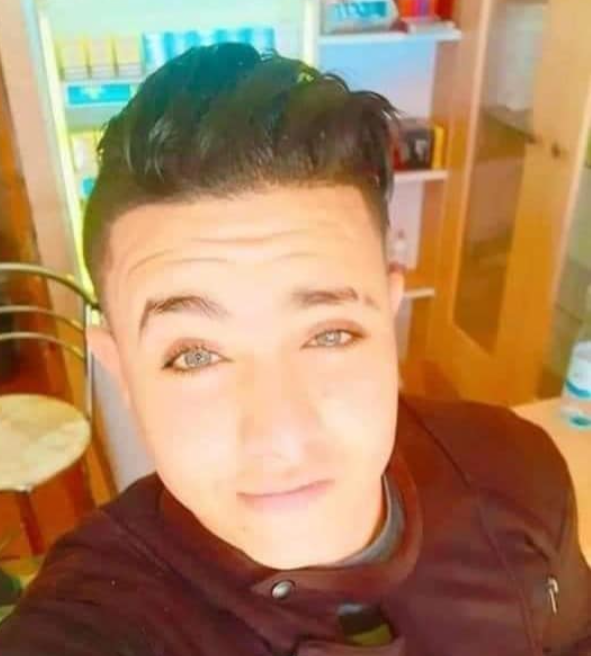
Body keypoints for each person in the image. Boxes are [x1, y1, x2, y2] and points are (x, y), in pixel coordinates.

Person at [0, 43, 589, 656]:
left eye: (329, 334)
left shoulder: (518, 472)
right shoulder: (94, 621)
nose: (279, 438)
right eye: (195, 355)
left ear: (389, 319)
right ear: (121, 371)